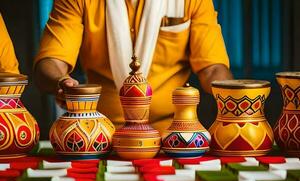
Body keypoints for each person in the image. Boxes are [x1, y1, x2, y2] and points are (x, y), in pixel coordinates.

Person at [34, 0, 233, 133]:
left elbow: (212, 69)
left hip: (173, 134)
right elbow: (51, 62)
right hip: (99, 133)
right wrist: (61, 81)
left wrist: (236, 97)